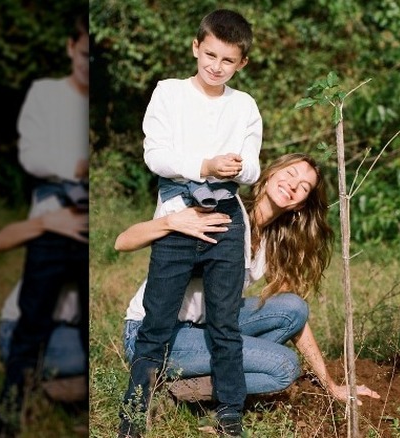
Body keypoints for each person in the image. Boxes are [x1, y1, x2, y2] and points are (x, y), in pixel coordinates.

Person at [116, 153, 380, 437]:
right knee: (283, 367)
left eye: (304, 186)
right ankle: (181, 391)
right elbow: (122, 241)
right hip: (158, 334)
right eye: (290, 174)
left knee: (293, 308)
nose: (293, 185)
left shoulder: (272, 240)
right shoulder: (221, 207)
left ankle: (193, 382)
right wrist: (171, 223)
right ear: (267, 176)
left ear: (301, 205)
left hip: (209, 327)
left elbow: (295, 321)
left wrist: (330, 383)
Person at [119, 9, 263, 438]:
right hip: (178, 214)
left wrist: (236, 167)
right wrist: (204, 163)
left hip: (225, 215)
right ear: (196, 47)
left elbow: (253, 166)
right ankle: (132, 415)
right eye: (211, 55)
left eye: (228, 61)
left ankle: (230, 413)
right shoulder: (169, 93)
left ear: (242, 64)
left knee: (225, 321)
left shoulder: (244, 105)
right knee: (157, 319)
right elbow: (156, 155)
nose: (216, 67)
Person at [0, 11, 89, 438]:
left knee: (87, 325)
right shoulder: (46, 94)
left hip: (90, 215)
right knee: (32, 322)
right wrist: (72, 164)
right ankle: (7, 421)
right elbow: (31, 155)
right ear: (72, 48)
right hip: (55, 220)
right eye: (85, 54)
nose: (89, 65)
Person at [0, 209, 88, 402]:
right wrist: (43, 223)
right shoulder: (62, 219)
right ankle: (39, 387)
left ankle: (47, 386)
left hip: (67, 331)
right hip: (17, 328)